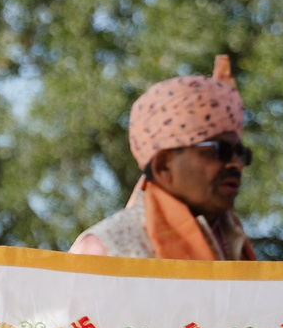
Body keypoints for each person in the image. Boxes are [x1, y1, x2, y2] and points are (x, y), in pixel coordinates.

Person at [72, 57, 259, 260]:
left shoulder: (233, 242)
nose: (236, 164)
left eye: (240, 154)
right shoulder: (108, 248)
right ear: (163, 166)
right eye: (218, 151)